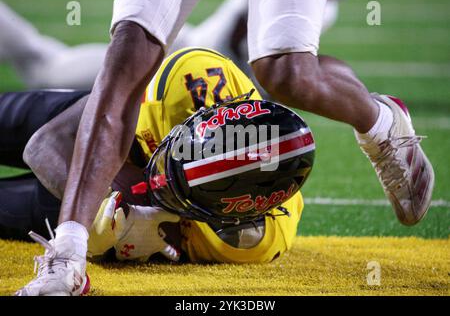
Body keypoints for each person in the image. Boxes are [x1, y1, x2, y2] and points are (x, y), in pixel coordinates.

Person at [15, 0, 434, 296]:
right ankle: (65, 260)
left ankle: (380, 122)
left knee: (288, 73)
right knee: (127, 55)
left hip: (219, 81)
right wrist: (84, 235)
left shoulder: (256, 236)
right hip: (175, 102)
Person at [0, 48, 309, 295]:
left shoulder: (246, 240)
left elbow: (152, 239)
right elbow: (43, 145)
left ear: (226, 215)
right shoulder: (182, 88)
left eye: (177, 190)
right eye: (174, 165)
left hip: (76, 200)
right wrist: (96, 209)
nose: (160, 179)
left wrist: (126, 227)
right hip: (106, 136)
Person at [0, 0, 340, 90]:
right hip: (174, 60)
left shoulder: (318, 8)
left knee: (44, 65)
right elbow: (245, 47)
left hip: (186, 73)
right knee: (44, 69)